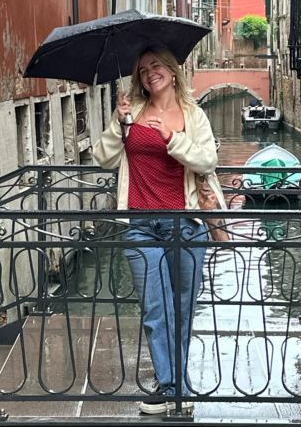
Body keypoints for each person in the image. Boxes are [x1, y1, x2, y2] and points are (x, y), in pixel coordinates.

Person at [92, 46, 224, 414]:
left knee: (181, 309)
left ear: (172, 70)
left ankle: (174, 385)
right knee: (155, 309)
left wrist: (171, 136)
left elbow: (208, 159)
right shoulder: (131, 112)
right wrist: (120, 126)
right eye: (143, 69)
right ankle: (173, 387)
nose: (151, 73)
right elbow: (102, 159)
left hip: (185, 225)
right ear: (138, 79)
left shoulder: (193, 116)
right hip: (139, 224)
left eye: (157, 66)